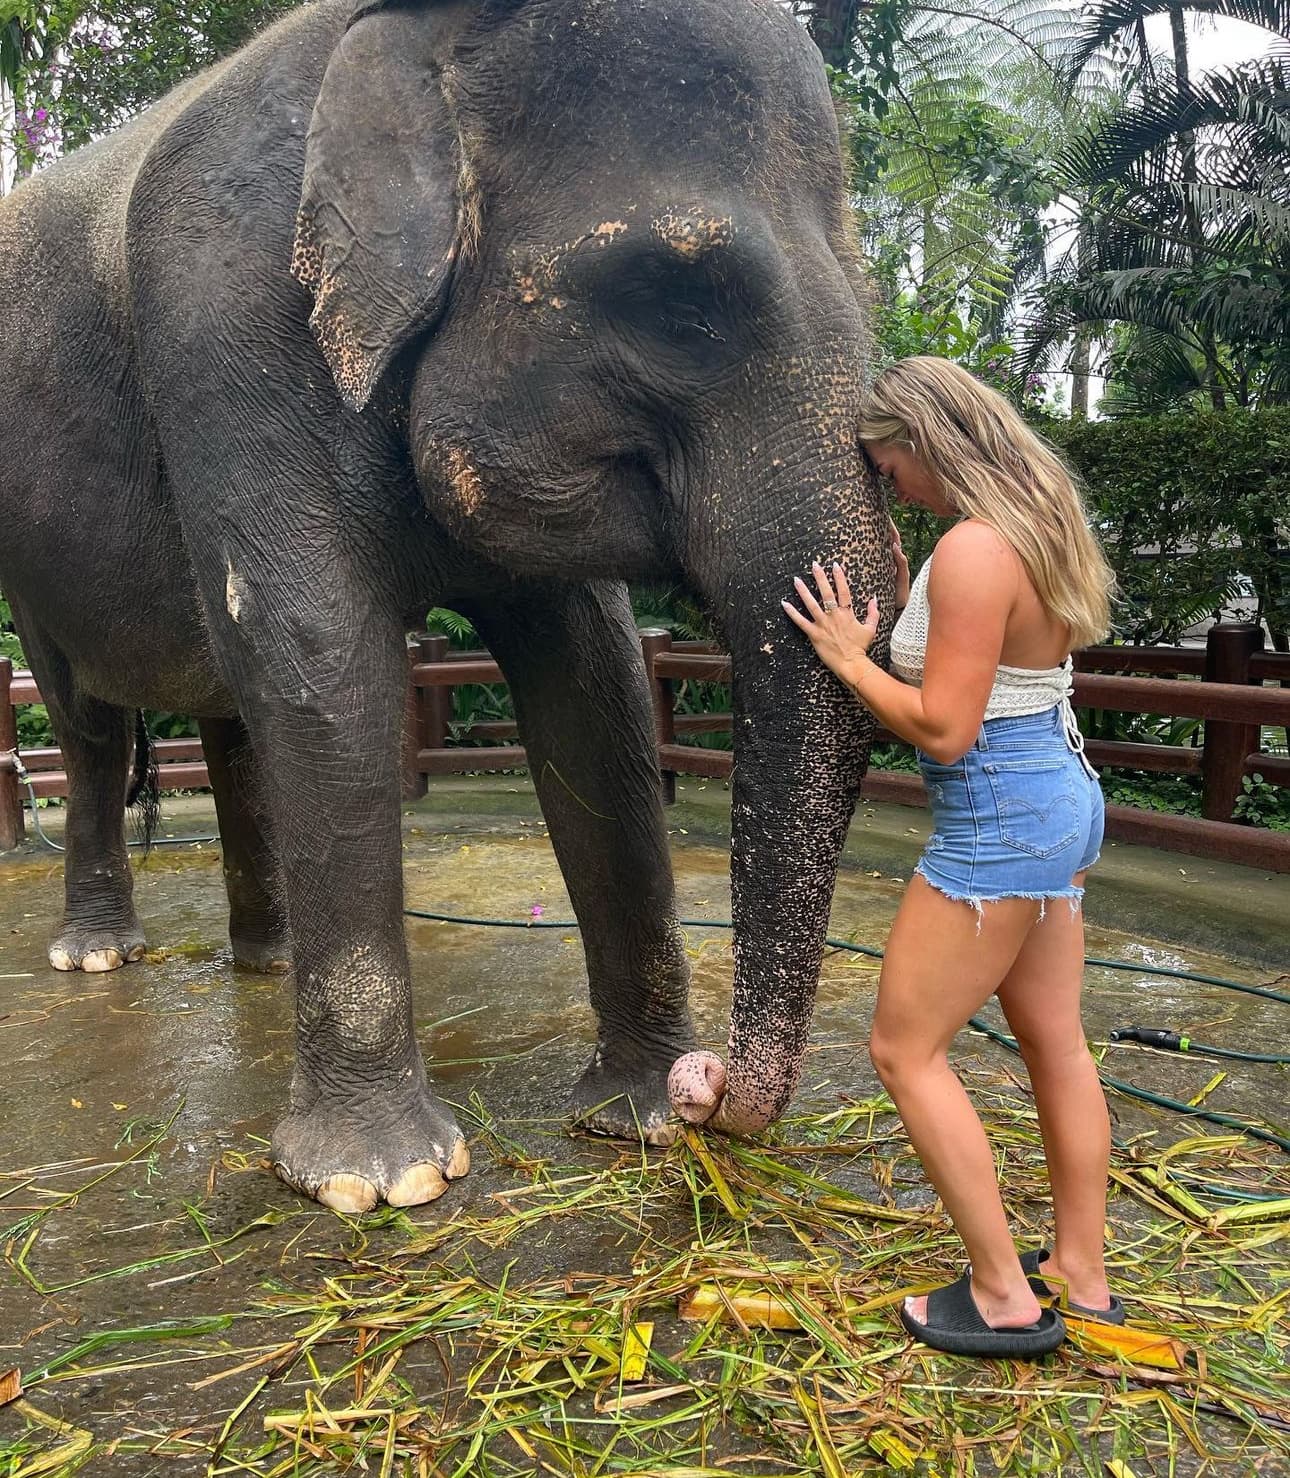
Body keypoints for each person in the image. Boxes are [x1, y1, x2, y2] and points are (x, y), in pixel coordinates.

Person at [782, 356, 1122, 1358]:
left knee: (902, 1047)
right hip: (1059, 798)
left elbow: (945, 729)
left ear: (925, 440)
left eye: (890, 467)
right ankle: (1081, 1268)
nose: (894, 485)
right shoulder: (1037, 518)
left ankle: (1004, 1291)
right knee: (1056, 1042)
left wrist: (847, 658)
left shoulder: (976, 549)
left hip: (1002, 818)